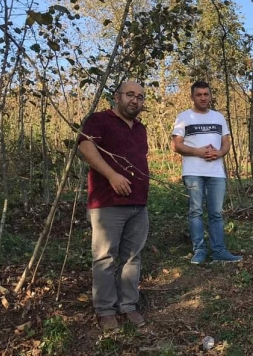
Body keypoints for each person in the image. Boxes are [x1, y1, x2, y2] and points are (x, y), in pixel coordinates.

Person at [78, 81, 149, 330]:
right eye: (130, 95)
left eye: (140, 97)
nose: (135, 100)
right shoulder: (99, 120)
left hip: (138, 203)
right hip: (107, 202)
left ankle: (129, 305)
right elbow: (85, 146)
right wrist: (111, 175)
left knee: (133, 257)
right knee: (104, 258)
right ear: (117, 97)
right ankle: (105, 309)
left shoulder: (141, 129)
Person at [171, 81, 242, 264]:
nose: (203, 98)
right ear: (192, 97)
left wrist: (219, 152)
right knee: (195, 211)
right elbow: (176, 145)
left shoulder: (218, 117)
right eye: (199, 95)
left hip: (216, 172)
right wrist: (198, 152)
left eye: (206, 94)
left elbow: (226, 141)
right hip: (193, 171)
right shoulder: (183, 117)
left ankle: (219, 251)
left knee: (216, 213)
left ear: (210, 96)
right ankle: (199, 250)